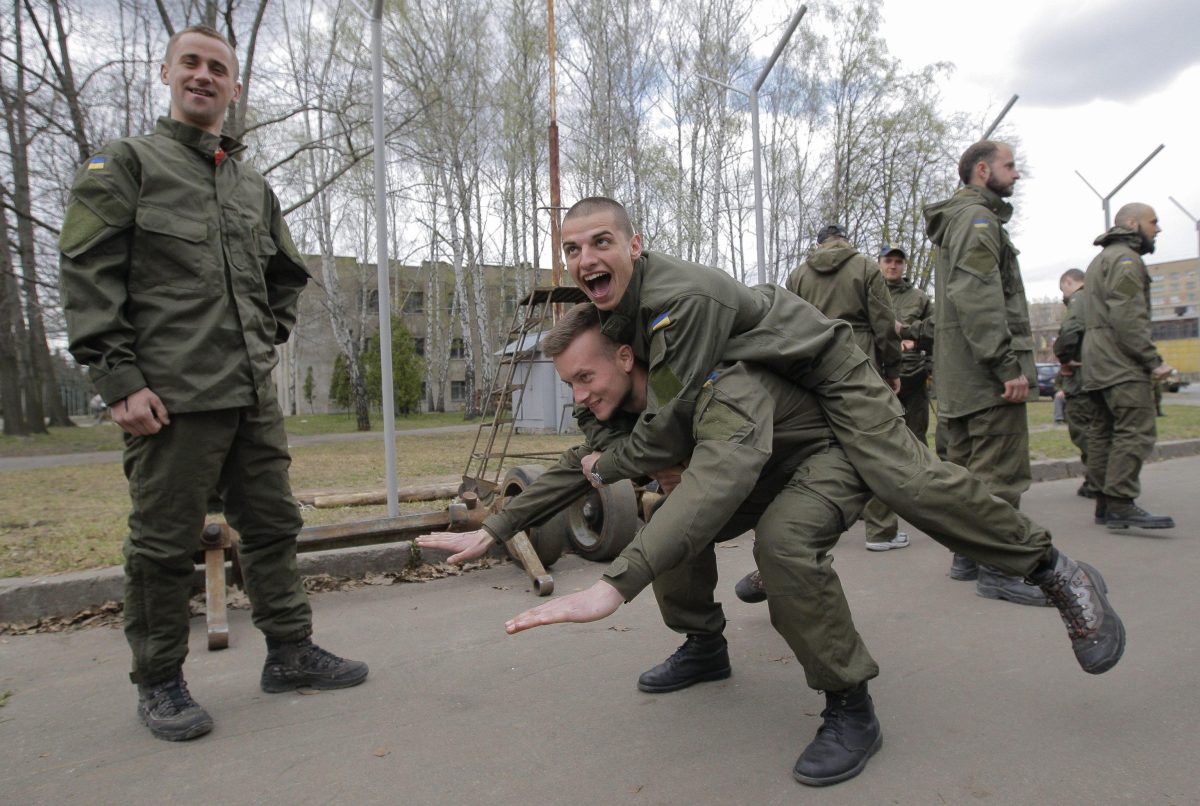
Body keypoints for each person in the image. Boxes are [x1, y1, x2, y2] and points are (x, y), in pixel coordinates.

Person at [420, 300, 1120, 788]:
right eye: (568, 382)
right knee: (669, 510)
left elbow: (721, 475)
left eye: (584, 377)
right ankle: (703, 645)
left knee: (782, 543)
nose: (577, 394)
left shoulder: (699, 375)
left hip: (825, 454)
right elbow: (581, 461)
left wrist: (614, 584)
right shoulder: (625, 401)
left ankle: (851, 705)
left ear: (626, 355)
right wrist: (496, 529)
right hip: (753, 469)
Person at [58, 25, 366, 742]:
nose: (203, 76)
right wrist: (119, 378)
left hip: (251, 394)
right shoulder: (126, 165)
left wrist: (264, 338)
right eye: (190, 63)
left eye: (217, 68)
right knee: (164, 546)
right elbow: (86, 271)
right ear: (166, 72)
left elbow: (285, 275)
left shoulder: (249, 185)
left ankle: (290, 653)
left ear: (234, 87)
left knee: (273, 526)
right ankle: (160, 682)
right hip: (170, 399)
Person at [924, 141, 1047, 607]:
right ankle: (1000, 569)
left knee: (966, 476)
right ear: (982, 170)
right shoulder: (979, 221)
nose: (1016, 175)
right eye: (1010, 166)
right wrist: (1006, 364)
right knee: (999, 477)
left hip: (960, 378)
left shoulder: (957, 222)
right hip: (985, 378)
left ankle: (967, 556)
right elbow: (977, 294)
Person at [784, 226, 903, 560]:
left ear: (818, 244)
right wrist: (893, 369)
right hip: (859, 359)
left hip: (815, 365)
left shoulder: (797, 275)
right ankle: (880, 529)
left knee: (818, 450)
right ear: (846, 242)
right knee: (875, 442)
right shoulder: (865, 266)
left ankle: (805, 535)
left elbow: (788, 324)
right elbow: (884, 321)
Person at [1081, 203, 1175, 529]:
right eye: (1153, 222)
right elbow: (1127, 316)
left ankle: (1105, 503)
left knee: (1103, 432)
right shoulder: (1126, 259)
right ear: (1133, 223)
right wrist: (1153, 360)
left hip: (1096, 361)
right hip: (1119, 362)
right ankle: (1120, 501)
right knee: (1135, 429)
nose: (1157, 229)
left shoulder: (1099, 260)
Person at [861, 243, 935, 552]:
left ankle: (923, 504)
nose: (893, 266)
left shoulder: (918, 297)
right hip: (878, 379)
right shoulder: (868, 293)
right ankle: (876, 517)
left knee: (916, 442)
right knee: (878, 445)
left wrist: (906, 334)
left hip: (913, 380)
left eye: (898, 262)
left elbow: (932, 332)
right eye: (888, 261)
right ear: (879, 263)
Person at [1052, 268, 1100, 499]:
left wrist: (1064, 358)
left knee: (1084, 432)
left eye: (1063, 291)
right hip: (1099, 375)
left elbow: (1071, 330)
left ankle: (1099, 482)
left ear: (1069, 282)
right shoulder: (1099, 296)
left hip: (1081, 380)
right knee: (1098, 429)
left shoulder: (1079, 299)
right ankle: (1100, 481)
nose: (1064, 297)